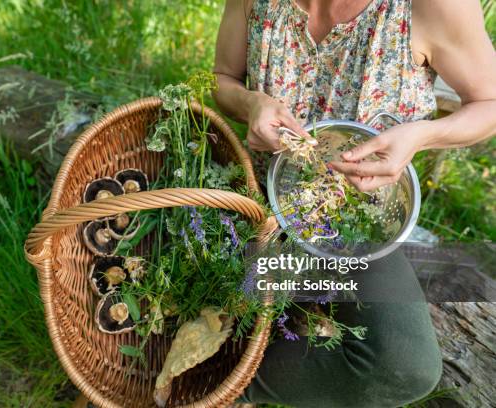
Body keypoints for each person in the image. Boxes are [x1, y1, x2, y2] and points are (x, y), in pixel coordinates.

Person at [212, 0, 496, 406]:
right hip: (256, 200)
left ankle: (234, 386)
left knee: (402, 364)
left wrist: (420, 135)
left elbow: (489, 103)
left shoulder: (433, 6)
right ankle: (213, 366)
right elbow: (221, 79)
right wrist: (249, 103)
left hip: (356, 227)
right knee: (172, 287)